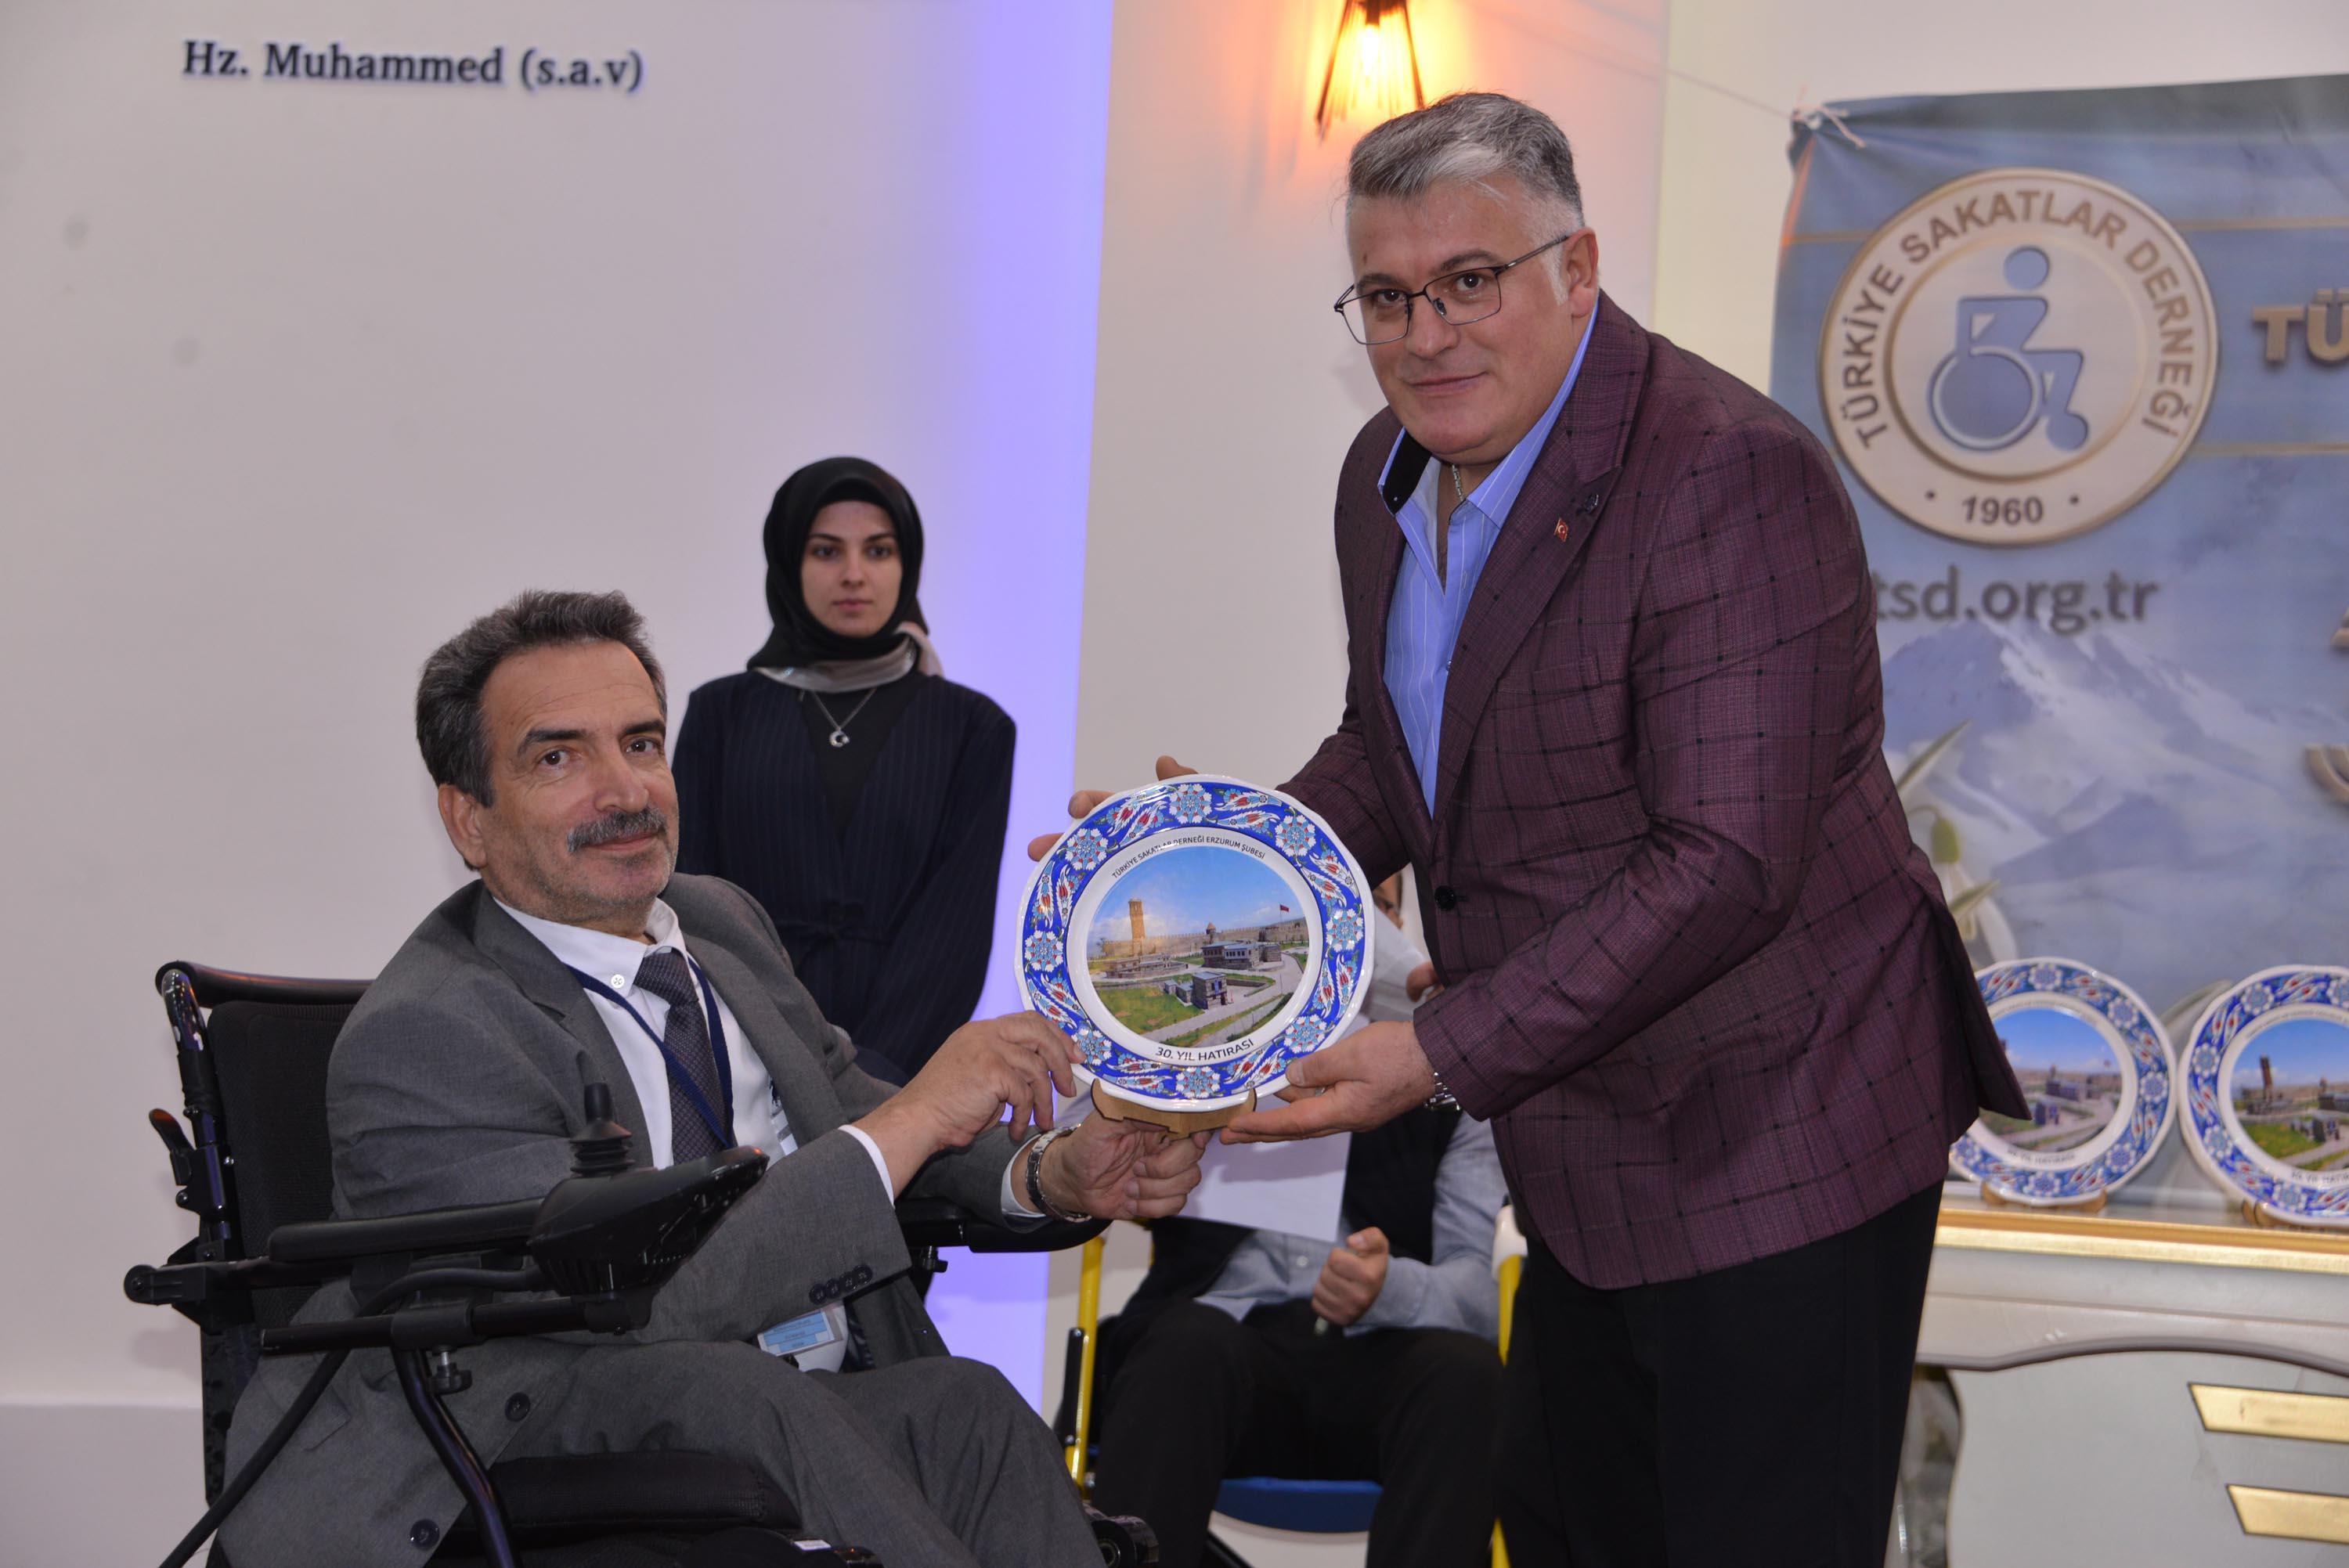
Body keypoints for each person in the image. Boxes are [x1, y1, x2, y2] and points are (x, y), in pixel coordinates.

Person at [1037, 93, 2026, 1566]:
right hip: (1584, 1141)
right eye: (1387, 295)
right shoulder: (1382, 476)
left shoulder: (1724, 473)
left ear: (1579, 269)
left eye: (1469, 281)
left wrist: (1434, 1051)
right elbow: (1397, 750)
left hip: (1783, 1131)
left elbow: (1727, 860)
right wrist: (1212, 871)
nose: (1426, 333)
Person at [222, 589, 1206, 1568]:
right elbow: (637, 1301)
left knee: (969, 1408)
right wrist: (917, 1114)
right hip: (527, 1414)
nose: (625, 790)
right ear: (468, 818)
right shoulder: (432, 1029)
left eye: (641, 743)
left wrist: (1049, 1171)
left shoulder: (720, 922)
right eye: (560, 757)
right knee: (740, 1392)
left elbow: (845, 1104)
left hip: (778, 1392)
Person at [1087, 914, 1504, 1568]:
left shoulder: (1458, 1083)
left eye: (1375, 907)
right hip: (1220, 1341)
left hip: (1381, 1360)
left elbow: (1481, 1295)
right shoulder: (1202, 1041)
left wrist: (1391, 1288)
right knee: (1184, 1347)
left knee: (1469, 1376)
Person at [675, 457, 1014, 1084]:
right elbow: (694, 903)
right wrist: (765, 1054)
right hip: (742, 1057)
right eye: (826, 551)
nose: (854, 574)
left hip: (906, 1070)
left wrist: (873, 1081)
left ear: (907, 565)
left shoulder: (973, 727)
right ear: (788, 562)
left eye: (878, 551)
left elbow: (956, 928)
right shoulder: (720, 714)